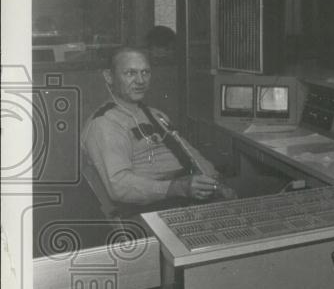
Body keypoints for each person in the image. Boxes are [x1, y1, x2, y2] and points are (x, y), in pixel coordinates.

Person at [81, 46, 234, 215]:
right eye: (130, 73)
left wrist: (215, 182)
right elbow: (120, 186)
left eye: (145, 72)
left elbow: (189, 152)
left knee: (261, 186)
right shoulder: (105, 124)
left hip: (189, 193)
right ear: (109, 77)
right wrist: (177, 188)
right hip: (154, 208)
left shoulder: (155, 114)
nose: (140, 80)